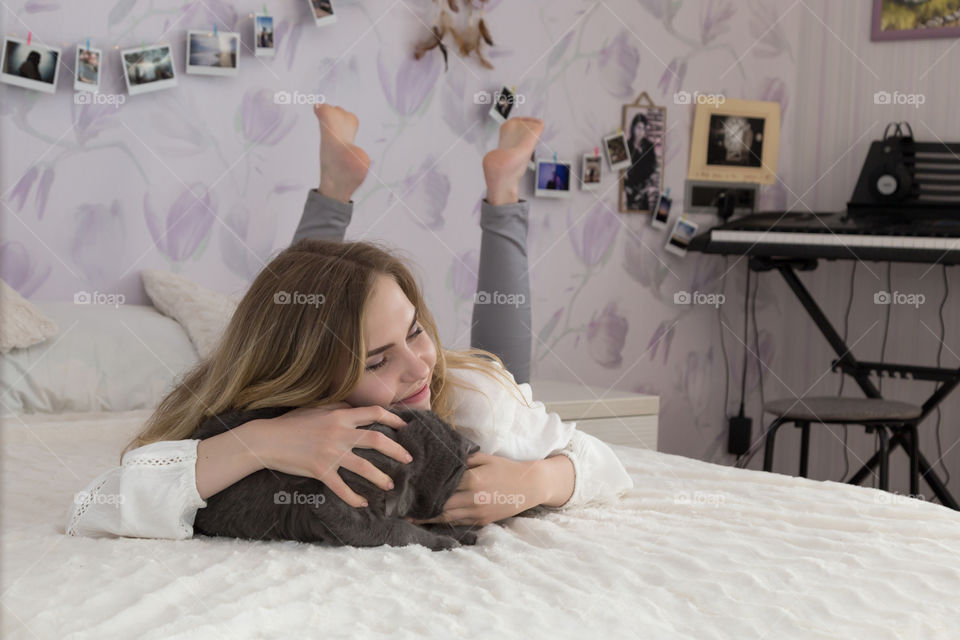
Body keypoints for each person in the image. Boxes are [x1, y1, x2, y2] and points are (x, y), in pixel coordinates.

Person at [65, 104, 633, 540]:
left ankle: (503, 192)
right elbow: (95, 506)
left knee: (495, 357)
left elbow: (608, 466)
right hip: (280, 360)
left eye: (414, 330)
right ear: (308, 385)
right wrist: (259, 441)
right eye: (377, 359)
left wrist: (536, 481)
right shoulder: (259, 406)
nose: (417, 367)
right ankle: (336, 185)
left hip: (475, 378)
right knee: (305, 301)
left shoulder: (470, 400)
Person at [623, 112, 657, 211]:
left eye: (643, 129)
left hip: (643, 188)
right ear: (633, 128)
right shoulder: (627, 145)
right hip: (629, 187)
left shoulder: (649, 146)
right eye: (638, 127)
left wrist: (645, 187)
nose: (640, 132)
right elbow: (622, 170)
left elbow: (652, 167)